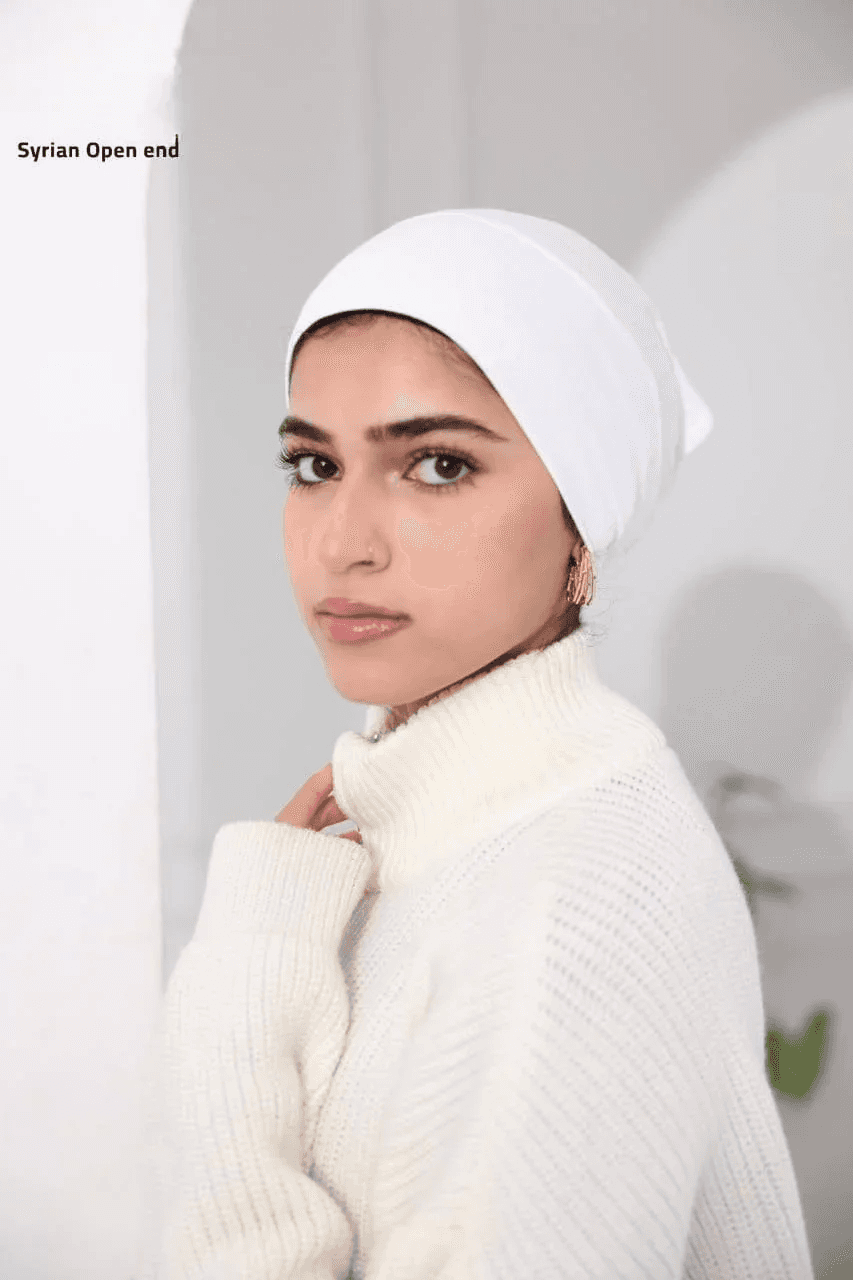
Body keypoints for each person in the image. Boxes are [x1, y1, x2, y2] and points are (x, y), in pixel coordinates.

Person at [137, 210, 815, 1279]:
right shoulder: (430, 838)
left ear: (579, 533)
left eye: (437, 464)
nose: (343, 541)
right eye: (313, 464)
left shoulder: (575, 901)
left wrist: (242, 985)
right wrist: (260, 955)